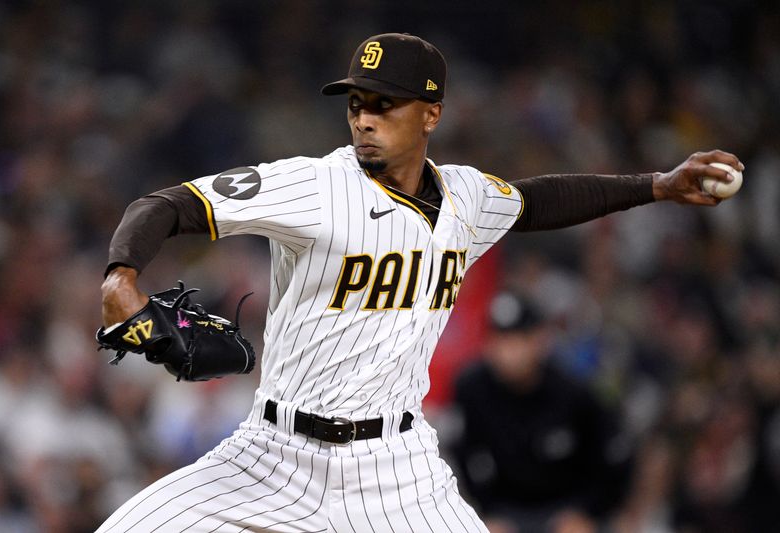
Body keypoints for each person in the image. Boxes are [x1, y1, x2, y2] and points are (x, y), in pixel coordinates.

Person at [96, 33, 744, 532]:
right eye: (356, 102)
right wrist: (121, 281)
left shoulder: (464, 195)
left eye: (384, 103)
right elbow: (164, 205)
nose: (364, 118)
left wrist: (656, 185)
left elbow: (538, 200)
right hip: (274, 450)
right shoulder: (316, 186)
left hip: (397, 468)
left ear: (430, 114)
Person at [452, 290, 632, 533]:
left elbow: (613, 458)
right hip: (505, 510)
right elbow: (463, 454)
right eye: (499, 340)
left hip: (566, 508)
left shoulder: (574, 392)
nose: (507, 352)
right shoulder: (472, 389)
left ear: (540, 339)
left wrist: (588, 511)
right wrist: (485, 510)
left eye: (517, 339)